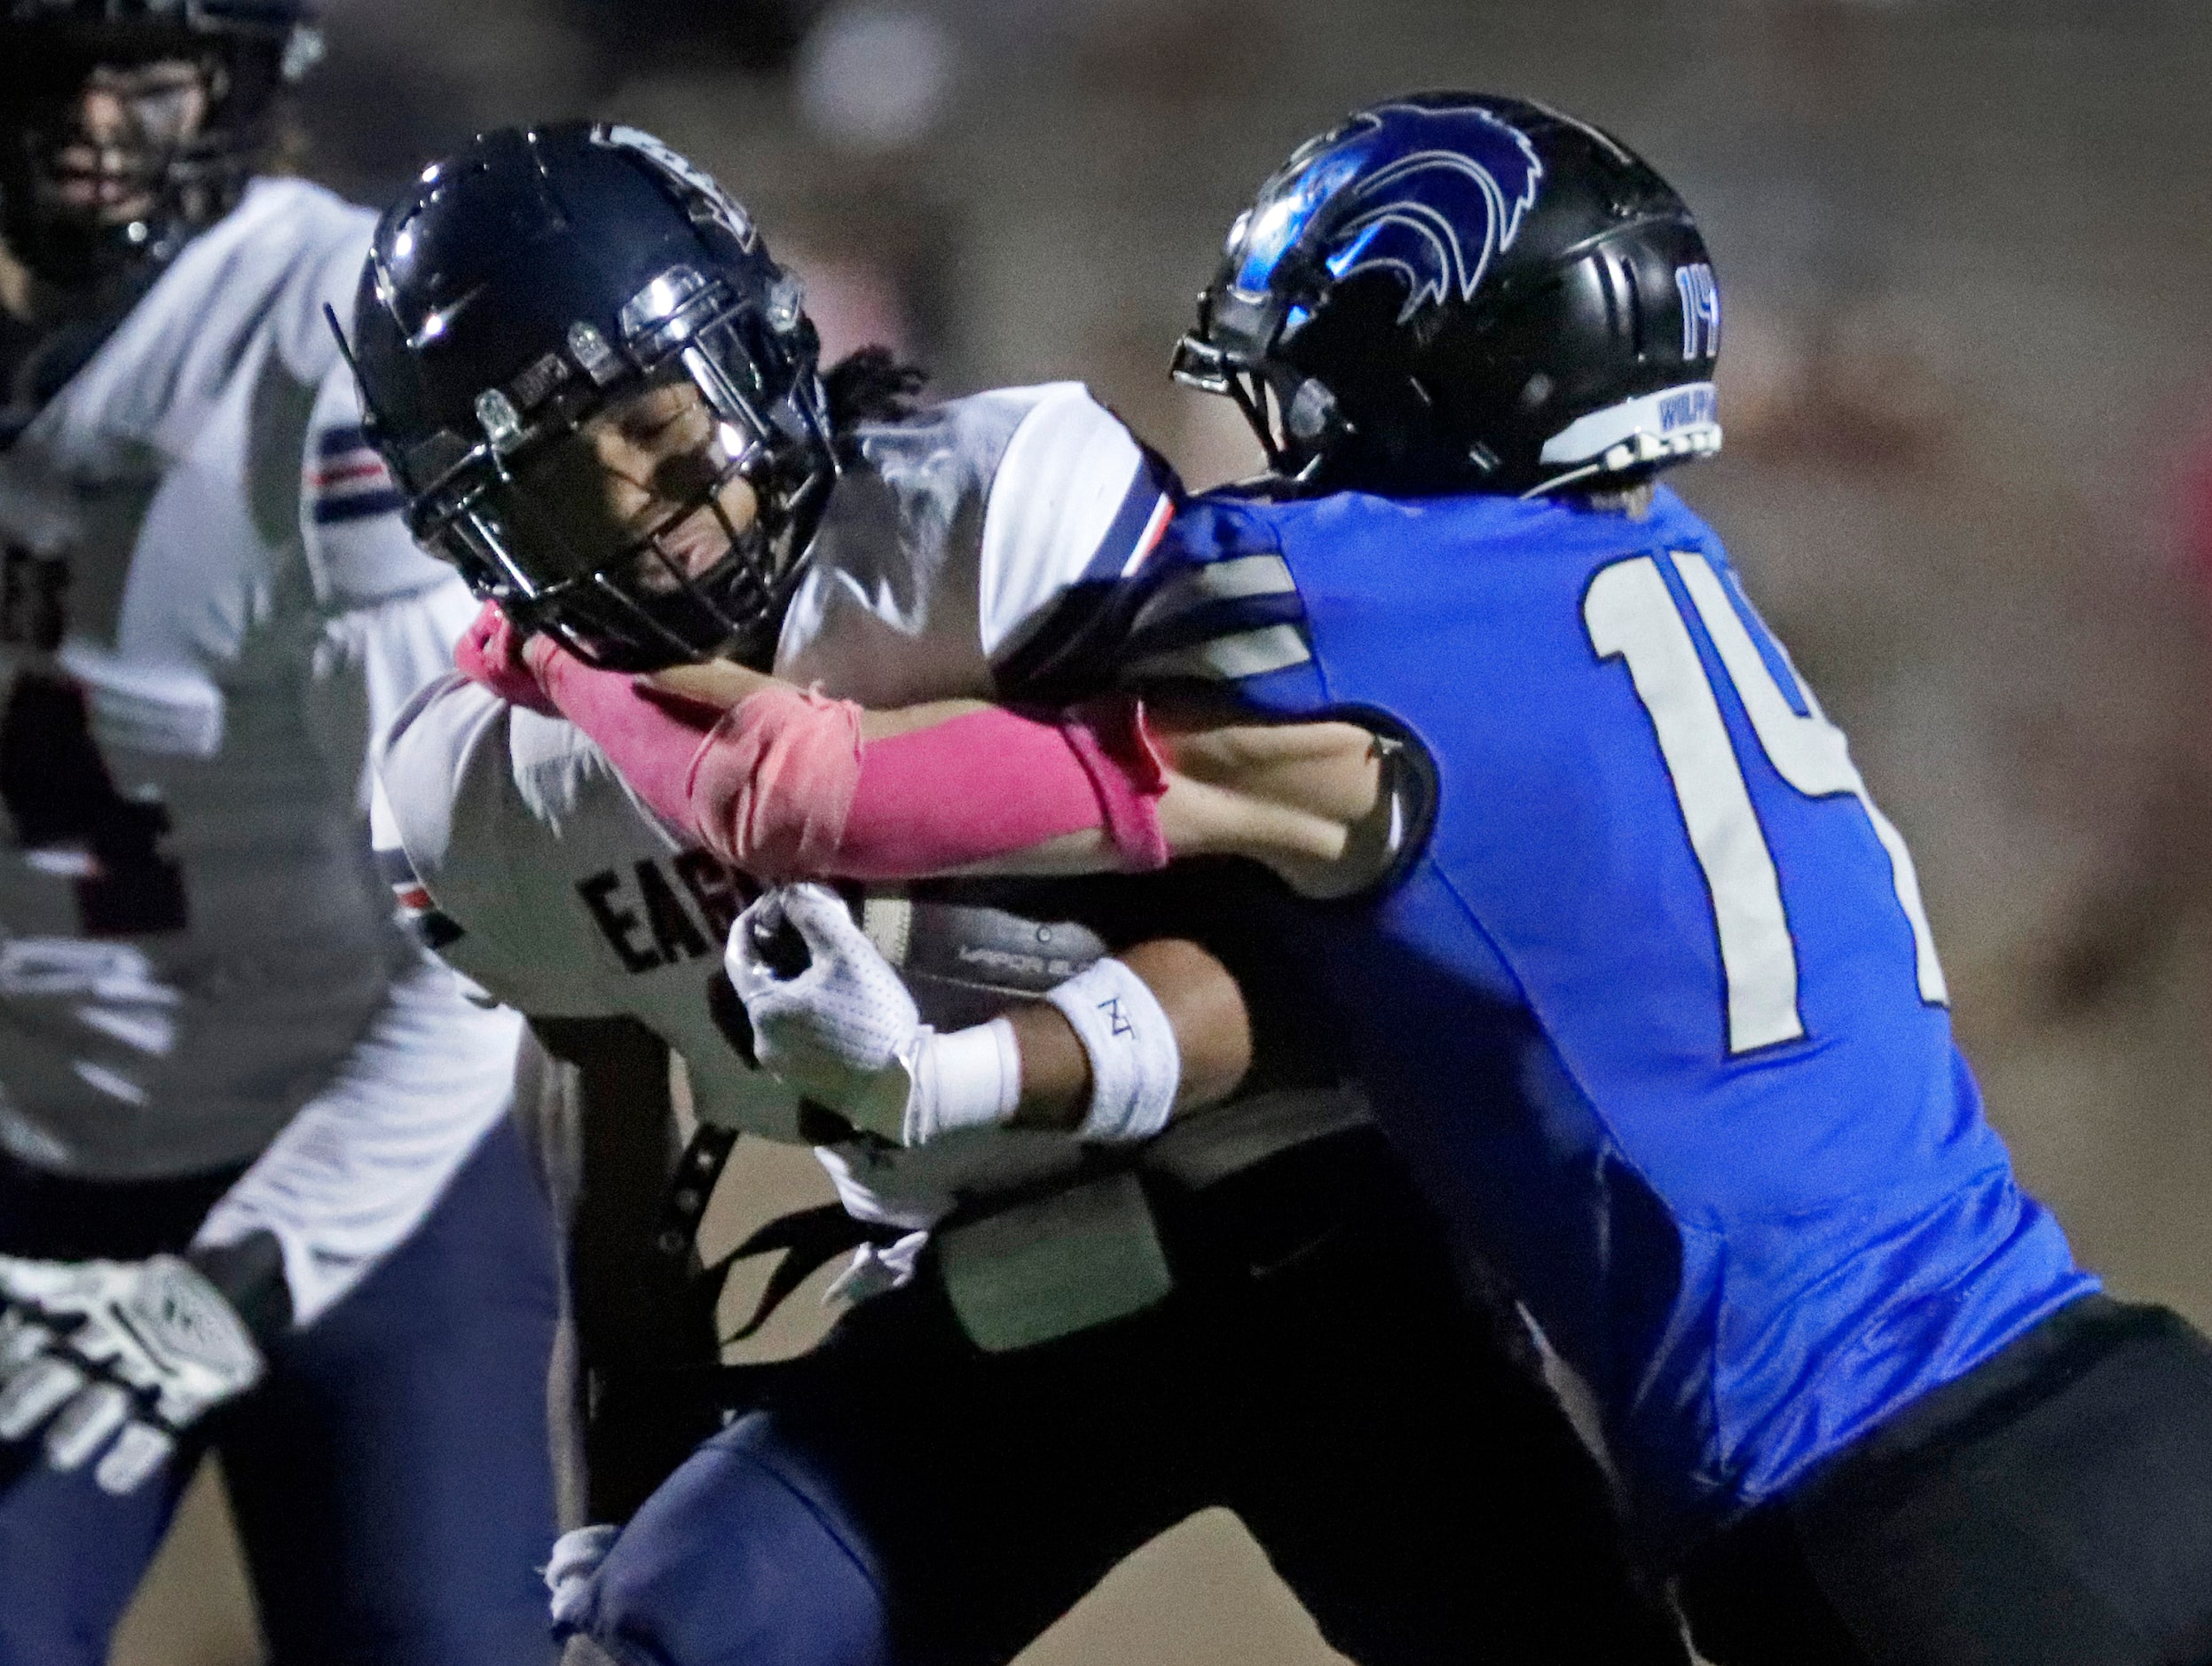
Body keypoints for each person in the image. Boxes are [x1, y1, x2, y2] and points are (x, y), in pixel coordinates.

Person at [483, 97, 2212, 1664]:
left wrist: (561, 665)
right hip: (2125, 1405)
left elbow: (798, 795)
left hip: (1874, 1516)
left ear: (1405, 355)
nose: (1270, 439)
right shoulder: (1675, 574)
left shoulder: (1325, 616)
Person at [359, 122, 1691, 1666]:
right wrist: (621, 1543)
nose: (651, 515)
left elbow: (1309, 978)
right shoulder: (483, 788)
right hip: (981, 1312)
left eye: (658, 424)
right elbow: (623, 1226)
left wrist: (959, 1071)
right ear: (478, 537)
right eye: (556, 487)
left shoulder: (986, 520)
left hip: (1312, 1244)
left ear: (758, 352)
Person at [0, 7, 561, 1662]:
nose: (94, 113)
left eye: (146, 60)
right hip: (42, 1165)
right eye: (48, 57)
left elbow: (473, 930)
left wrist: (248, 1270)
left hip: (372, 1176)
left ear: (244, 77)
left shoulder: (318, 345)